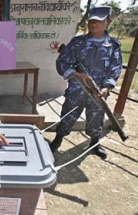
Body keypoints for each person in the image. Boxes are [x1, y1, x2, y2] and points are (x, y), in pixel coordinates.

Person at [49, 6, 122, 159]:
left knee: (96, 118)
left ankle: (95, 143)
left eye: (98, 21)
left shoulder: (113, 46)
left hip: (98, 93)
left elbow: (115, 68)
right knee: (67, 117)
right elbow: (62, 62)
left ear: (108, 22)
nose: (93, 24)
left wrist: (107, 87)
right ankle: (57, 140)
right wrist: (77, 74)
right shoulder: (77, 42)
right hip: (77, 90)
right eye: (91, 21)